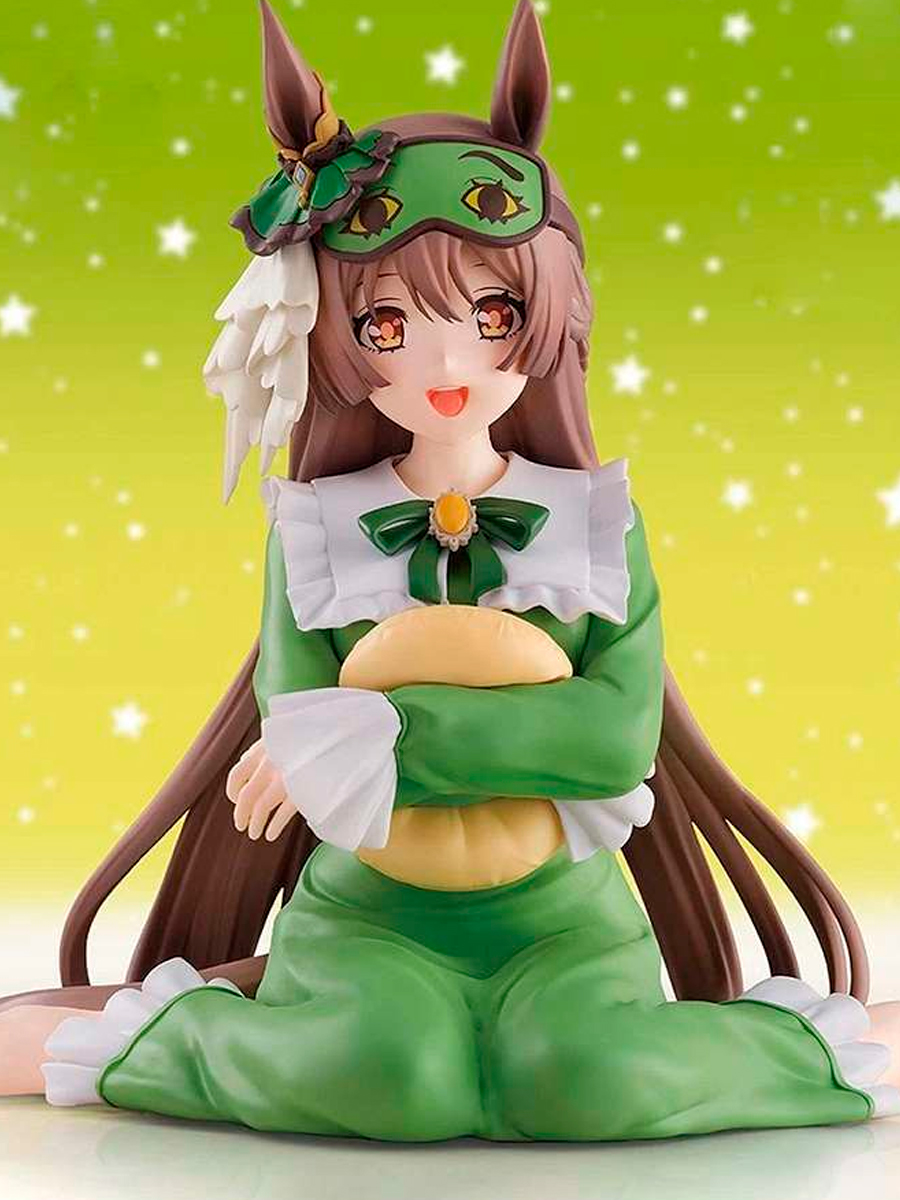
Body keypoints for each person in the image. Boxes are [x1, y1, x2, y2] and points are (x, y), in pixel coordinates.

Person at [1, 0, 898, 1141]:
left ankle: (824, 1047)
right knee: (384, 1077)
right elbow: (298, 729)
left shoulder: (593, 522)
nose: (446, 360)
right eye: (387, 324)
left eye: (491, 311)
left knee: (590, 1082)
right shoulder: (317, 528)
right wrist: (365, 742)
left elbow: (610, 737)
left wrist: (386, 731)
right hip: (365, 916)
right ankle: (140, 1038)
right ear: (328, 333)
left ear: (548, 312)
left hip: (568, 919)